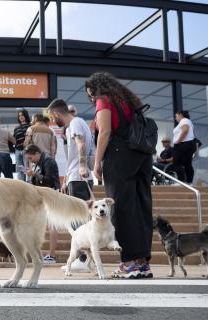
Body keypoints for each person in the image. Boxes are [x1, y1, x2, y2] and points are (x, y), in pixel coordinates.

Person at [86, 71, 153, 279]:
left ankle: (129, 263)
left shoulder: (103, 100)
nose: (91, 98)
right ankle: (142, 263)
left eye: (90, 94)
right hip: (142, 155)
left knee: (121, 208)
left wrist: (97, 162)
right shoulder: (128, 99)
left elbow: (105, 131)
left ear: (96, 89)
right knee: (142, 208)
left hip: (119, 156)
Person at [47, 99, 94, 272]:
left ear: (58, 114)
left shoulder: (73, 124)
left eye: (53, 117)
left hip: (79, 177)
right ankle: (86, 259)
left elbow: (80, 144)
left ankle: (83, 259)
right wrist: (66, 179)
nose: (53, 120)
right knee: (81, 218)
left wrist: (82, 166)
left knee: (78, 219)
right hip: (77, 177)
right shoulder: (79, 123)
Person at [24, 144, 61, 264]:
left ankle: (52, 255)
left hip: (51, 195)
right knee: (47, 224)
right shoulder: (39, 162)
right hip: (44, 196)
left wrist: (34, 175)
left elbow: (49, 180)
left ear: (37, 154)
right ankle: (50, 255)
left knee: (52, 225)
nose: (31, 161)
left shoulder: (48, 161)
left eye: (31, 158)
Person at [173, 111, 197, 184]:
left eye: (176, 116)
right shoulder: (188, 121)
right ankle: (189, 182)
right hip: (189, 144)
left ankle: (181, 181)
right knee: (187, 164)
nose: (175, 118)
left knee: (177, 163)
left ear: (180, 114)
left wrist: (178, 141)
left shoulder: (184, 120)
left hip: (183, 144)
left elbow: (185, 130)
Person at [13, 109, 31, 181]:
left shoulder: (30, 126)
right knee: (20, 170)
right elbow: (14, 139)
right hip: (17, 150)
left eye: (22, 115)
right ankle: (21, 186)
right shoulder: (16, 128)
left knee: (27, 169)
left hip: (26, 150)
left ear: (26, 116)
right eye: (19, 116)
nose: (21, 117)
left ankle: (29, 186)